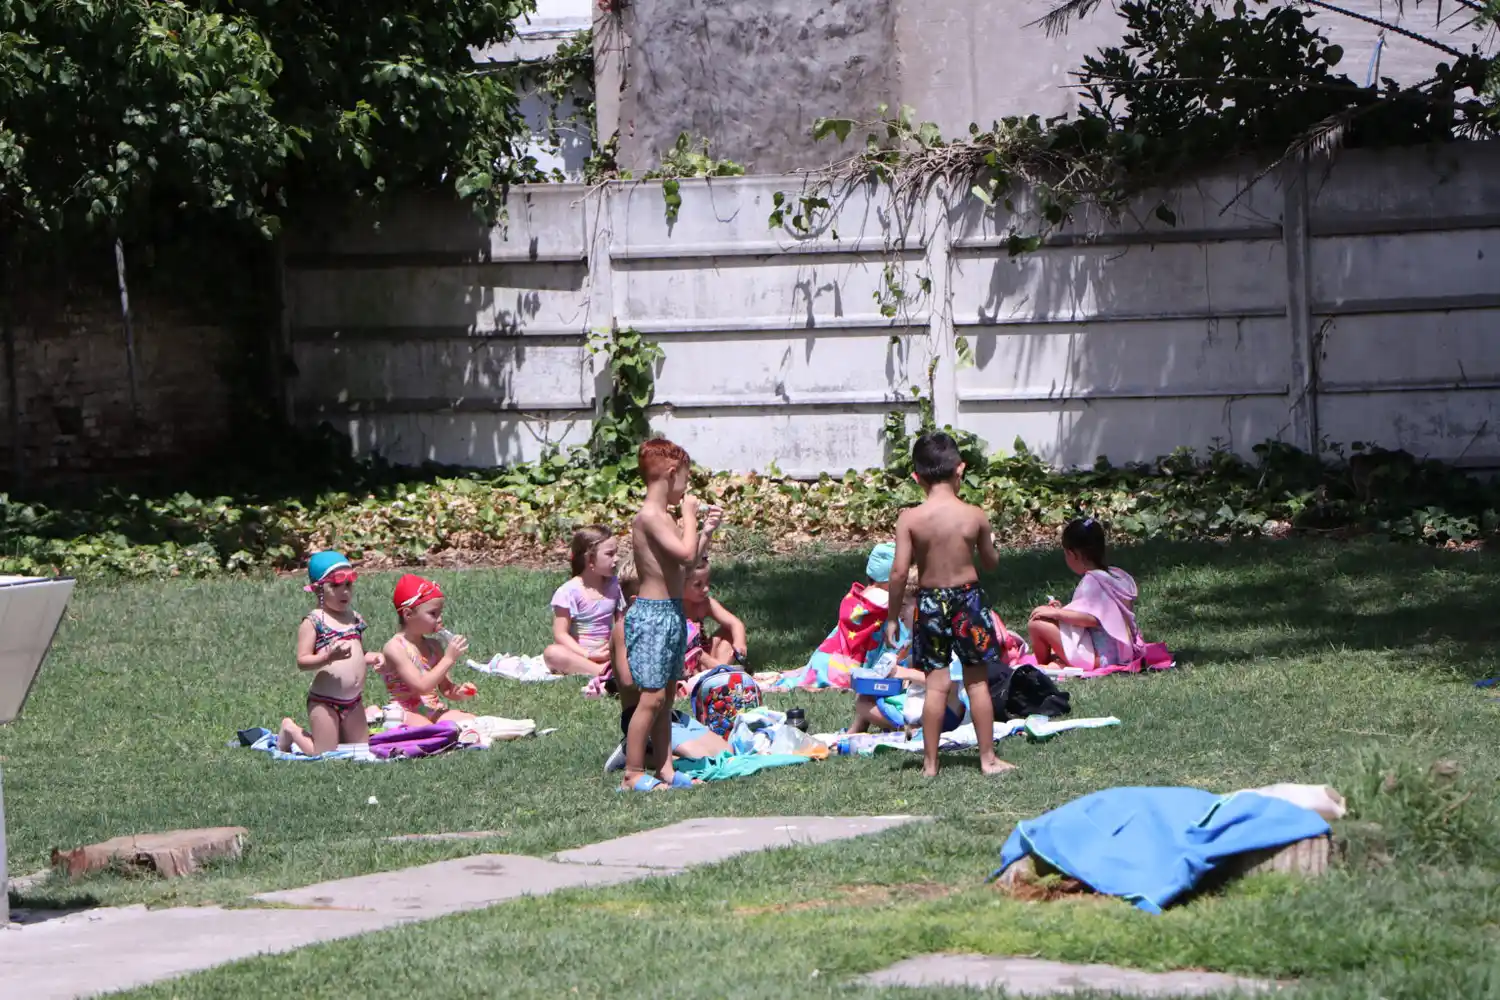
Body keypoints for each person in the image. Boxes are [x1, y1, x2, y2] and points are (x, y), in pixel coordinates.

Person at [884, 431, 1015, 778]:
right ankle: (987, 759)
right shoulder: (974, 515)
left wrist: (892, 617)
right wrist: (987, 543)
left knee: (937, 684)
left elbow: (898, 573)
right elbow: (990, 563)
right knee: (977, 682)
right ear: (960, 470)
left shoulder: (910, 519)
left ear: (916, 478)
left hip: (929, 603)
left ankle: (929, 765)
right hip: (967, 600)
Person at [618, 437, 703, 792]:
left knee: (666, 697)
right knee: (650, 698)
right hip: (652, 617)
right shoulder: (650, 516)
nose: (685, 487)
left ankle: (665, 768)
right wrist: (690, 515)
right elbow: (685, 554)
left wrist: (704, 531)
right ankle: (633, 772)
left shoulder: (663, 518)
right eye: (685, 478)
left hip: (671, 613)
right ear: (671, 473)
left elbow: (690, 560)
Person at [279, 551, 383, 755]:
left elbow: (358, 653)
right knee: (324, 754)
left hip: (353, 701)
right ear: (318, 589)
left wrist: (376, 657)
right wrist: (327, 657)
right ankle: (290, 729)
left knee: (360, 752)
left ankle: (338, 732)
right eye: (335, 586)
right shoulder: (315, 621)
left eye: (348, 585)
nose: (344, 592)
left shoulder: (353, 618)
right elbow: (302, 661)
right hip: (325, 701)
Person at [1028, 517, 1144, 670]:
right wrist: (1061, 610)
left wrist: (1056, 614)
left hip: (1101, 656)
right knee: (1047, 618)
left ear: (1073, 554)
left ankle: (1046, 663)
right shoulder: (1115, 576)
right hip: (1119, 652)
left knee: (1036, 623)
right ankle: (1059, 661)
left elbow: (1092, 619)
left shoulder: (1093, 580)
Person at [379, 574, 478, 727]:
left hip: (432, 710)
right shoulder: (395, 647)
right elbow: (422, 686)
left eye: (440, 613)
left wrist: (460, 692)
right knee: (429, 730)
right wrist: (449, 659)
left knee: (472, 721)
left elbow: (445, 688)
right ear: (408, 614)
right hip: (405, 712)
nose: (439, 619)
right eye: (433, 614)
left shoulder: (434, 646)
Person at [544, 526, 624, 677]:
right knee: (552, 653)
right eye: (610, 554)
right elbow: (560, 634)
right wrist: (588, 654)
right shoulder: (569, 591)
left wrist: (614, 647)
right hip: (581, 655)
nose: (617, 558)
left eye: (616, 553)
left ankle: (609, 671)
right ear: (589, 559)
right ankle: (603, 673)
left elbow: (621, 623)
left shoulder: (616, 586)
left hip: (609, 653)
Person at [682, 556, 747, 676]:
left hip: (705, 655)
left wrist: (740, 643)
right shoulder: (673, 609)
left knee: (729, 632)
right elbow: (687, 648)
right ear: (679, 584)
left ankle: (718, 672)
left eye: (707, 582)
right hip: (685, 660)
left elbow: (735, 623)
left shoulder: (705, 603)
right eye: (698, 585)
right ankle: (720, 671)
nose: (705, 589)